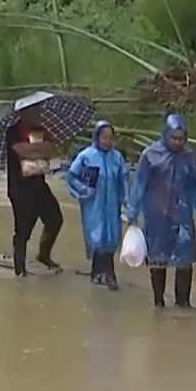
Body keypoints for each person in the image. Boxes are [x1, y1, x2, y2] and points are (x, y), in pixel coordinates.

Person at [126, 114, 196, 307]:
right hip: (156, 214)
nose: (177, 142)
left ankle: (183, 302)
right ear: (165, 134)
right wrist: (132, 212)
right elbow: (139, 185)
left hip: (182, 214)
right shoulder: (150, 155)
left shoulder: (188, 156)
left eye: (181, 138)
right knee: (158, 258)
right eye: (174, 138)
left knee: (185, 259)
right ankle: (158, 301)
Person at [66, 121, 127, 291]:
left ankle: (100, 272)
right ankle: (107, 274)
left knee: (111, 236)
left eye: (110, 138)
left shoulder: (117, 158)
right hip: (93, 203)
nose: (107, 141)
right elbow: (71, 176)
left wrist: (125, 201)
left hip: (112, 203)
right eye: (104, 137)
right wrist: (84, 191)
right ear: (97, 137)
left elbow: (123, 180)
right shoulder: (86, 156)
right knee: (98, 236)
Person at [6, 117, 63, 275]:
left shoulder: (42, 130)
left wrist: (42, 151)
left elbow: (51, 150)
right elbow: (21, 149)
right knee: (23, 230)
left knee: (55, 220)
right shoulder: (13, 131)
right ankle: (20, 269)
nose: (36, 113)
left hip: (39, 185)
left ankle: (44, 255)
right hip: (20, 188)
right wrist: (40, 149)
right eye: (33, 111)